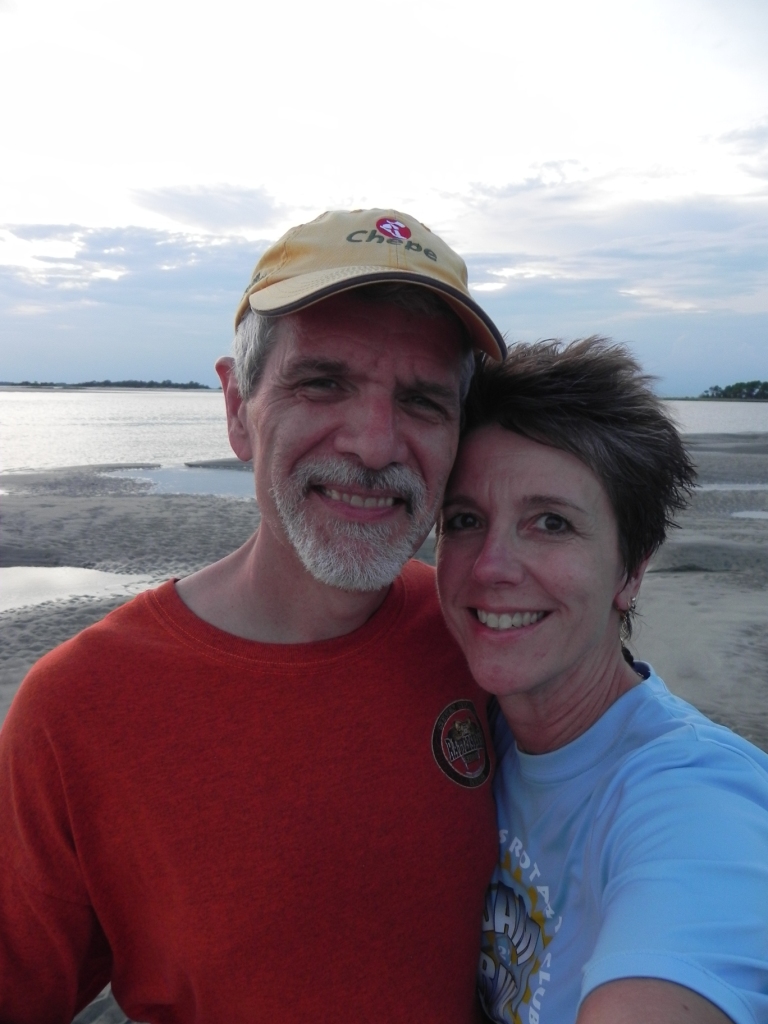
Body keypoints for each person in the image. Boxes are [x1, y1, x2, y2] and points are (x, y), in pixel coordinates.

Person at [0, 209, 506, 1023]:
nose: (375, 444)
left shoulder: (484, 637)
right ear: (238, 408)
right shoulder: (75, 711)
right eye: (322, 383)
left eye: (422, 401)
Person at [435, 338, 768, 1024]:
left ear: (631, 570)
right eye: (465, 521)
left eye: (551, 523)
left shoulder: (693, 796)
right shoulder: (466, 721)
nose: (492, 566)